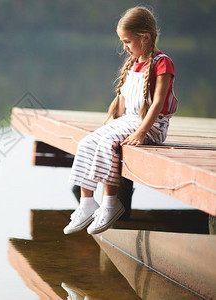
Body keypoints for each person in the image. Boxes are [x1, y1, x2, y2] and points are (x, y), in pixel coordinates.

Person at [63, 6, 178, 235]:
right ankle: (87, 202)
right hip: (129, 121)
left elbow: (157, 104)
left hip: (151, 126)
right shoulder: (133, 63)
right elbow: (123, 103)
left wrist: (141, 133)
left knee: (109, 144)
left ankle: (110, 202)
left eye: (127, 41)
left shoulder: (162, 63)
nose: (124, 47)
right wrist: (110, 122)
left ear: (145, 37)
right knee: (87, 142)